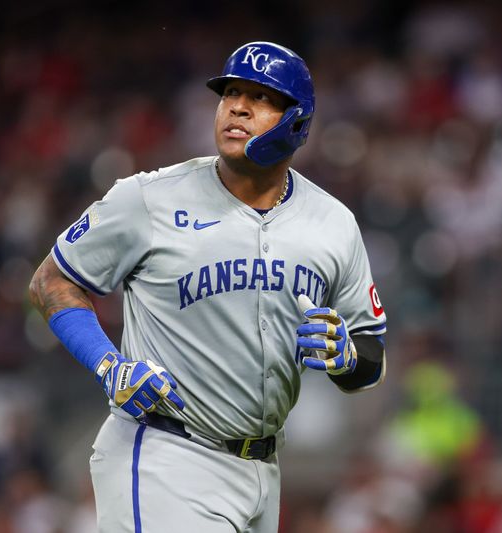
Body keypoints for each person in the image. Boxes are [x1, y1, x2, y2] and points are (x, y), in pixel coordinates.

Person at [29, 41, 387, 532]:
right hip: (167, 455)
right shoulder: (148, 198)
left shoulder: (333, 223)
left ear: (297, 121)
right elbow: (52, 279)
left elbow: (372, 353)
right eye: (231, 93)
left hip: (264, 468)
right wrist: (108, 365)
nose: (237, 106)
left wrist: (347, 358)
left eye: (261, 98)